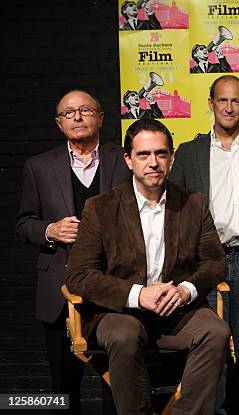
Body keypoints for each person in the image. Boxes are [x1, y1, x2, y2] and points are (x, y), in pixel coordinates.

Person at [65, 118, 230, 415]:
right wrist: (138, 295)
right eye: (143, 154)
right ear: (128, 160)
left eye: (161, 153)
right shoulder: (100, 208)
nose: (153, 162)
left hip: (177, 312)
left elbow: (216, 263)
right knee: (124, 335)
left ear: (171, 157)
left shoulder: (193, 203)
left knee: (216, 331)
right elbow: (79, 276)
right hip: (120, 312)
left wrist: (184, 291)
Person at [15, 90, 132, 413]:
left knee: (117, 382)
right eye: (69, 113)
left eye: (84, 110)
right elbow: (24, 223)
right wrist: (49, 230)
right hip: (59, 290)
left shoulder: (123, 160)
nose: (77, 117)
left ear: (100, 117)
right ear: (59, 123)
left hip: (113, 287)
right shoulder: (38, 166)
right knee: (63, 386)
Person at [169, 75, 239, 412]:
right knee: (209, 347)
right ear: (211, 103)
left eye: (236, 101)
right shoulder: (188, 153)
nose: (229, 107)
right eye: (222, 100)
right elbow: (173, 212)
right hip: (206, 264)